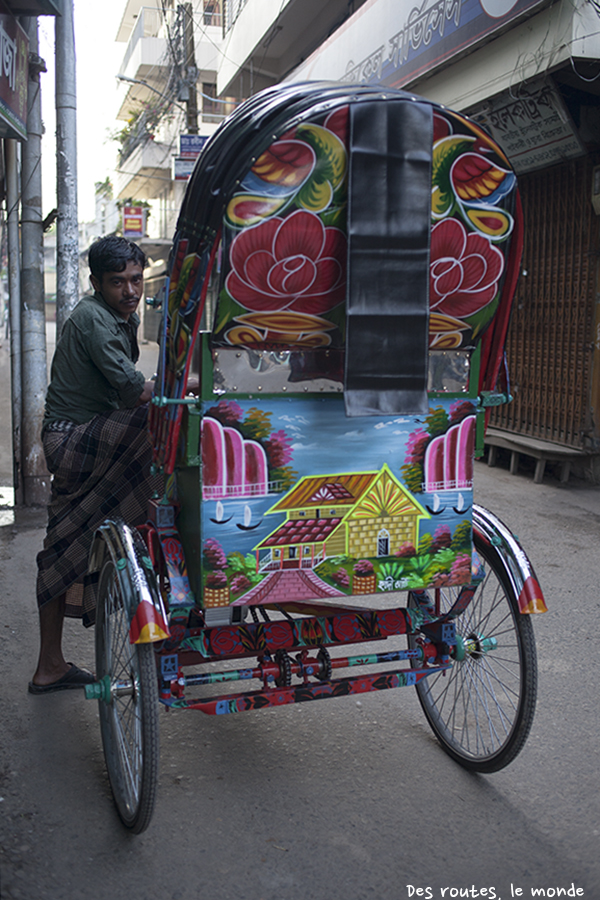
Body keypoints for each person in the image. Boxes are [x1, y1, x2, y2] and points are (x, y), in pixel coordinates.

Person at [30, 235, 160, 694]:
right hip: (73, 442)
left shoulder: (122, 316)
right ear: (96, 283)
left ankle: (51, 665)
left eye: (136, 280)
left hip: (93, 435)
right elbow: (132, 391)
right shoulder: (93, 319)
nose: (129, 290)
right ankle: (146, 542)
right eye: (117, 282)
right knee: (158, 422)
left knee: (64, 544)